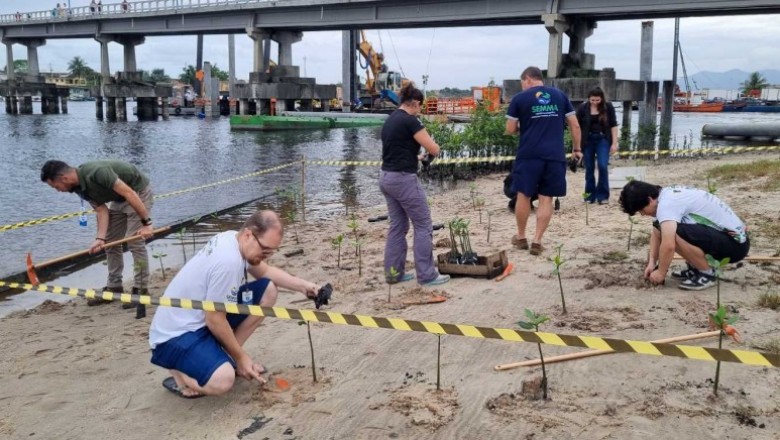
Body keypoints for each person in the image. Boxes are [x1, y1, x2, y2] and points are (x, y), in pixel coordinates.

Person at [148, 210, 321, 398]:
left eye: (272, 251)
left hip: (201, 319)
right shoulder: (228, 261)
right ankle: (179, 375)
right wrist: (242, 358)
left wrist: (305, 287)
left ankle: (225, 357)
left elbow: (266, 272)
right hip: (174, 335)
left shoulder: (233, 238)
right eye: (264, 250)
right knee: (223, 381)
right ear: (248, 235)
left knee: (268, 290)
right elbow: (214, 319)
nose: (267, 256)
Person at [40, 160, 154, 306]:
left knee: (134, 241)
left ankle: (141, 290)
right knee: (110, 242)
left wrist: (147, 224)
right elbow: (101, 209)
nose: (57, 190)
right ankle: (114, 288)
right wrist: (100, 238)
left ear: (64, 178)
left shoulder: (97, 172)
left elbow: (129, 192)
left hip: (137, 192)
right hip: (118, 199)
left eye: (55, 186)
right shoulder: (78, 188)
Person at [505, 66, 581, 256]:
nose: (522, 86)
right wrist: (576, 149)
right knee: (546, 198)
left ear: (528, 79)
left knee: (523, 195)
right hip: (555, 155)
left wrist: (526, 123)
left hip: (529, 154)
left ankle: (521, 237)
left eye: (522, 82)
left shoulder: (519, 99)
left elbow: (510, 129)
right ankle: (537, 241)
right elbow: (575, 125)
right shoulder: (559, 96)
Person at [619, 180, 750, 290]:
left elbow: (669, 245)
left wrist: (661, 273)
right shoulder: (664, 196)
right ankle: (697, 267)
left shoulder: (667, 204)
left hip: (735, 245)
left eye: (641, 210)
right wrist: (652, 262)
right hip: (727, 238)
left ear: (649, 199)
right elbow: (656, 232)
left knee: (672, 233)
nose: (642, 214)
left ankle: (707, 273)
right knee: (663, 228)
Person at [380, 82, 450, 286]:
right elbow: (434, 149)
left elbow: (397, 149)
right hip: (403, 180)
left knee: (398, 226)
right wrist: (432, 148)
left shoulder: (391, 120)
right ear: (416, 103)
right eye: (421, 107)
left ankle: (394, 273)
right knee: (423, 225)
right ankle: (427, 275)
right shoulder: (411, 121)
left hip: (386, 177)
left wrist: (416, 157)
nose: (420, 111)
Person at [576, 87, 618, 205]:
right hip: (587, 140)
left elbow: (613, 125)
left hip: (602, 139)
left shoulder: (608, 107)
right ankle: (589, 195)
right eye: (592, 100)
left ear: (602, 99)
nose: (594, 102)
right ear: (589, 98)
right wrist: (576, 147)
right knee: (589, 168)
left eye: (597, 100)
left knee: (602, 165)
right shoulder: (583, 108)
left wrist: (614, 143)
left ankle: (603, 195)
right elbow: (577, 127)